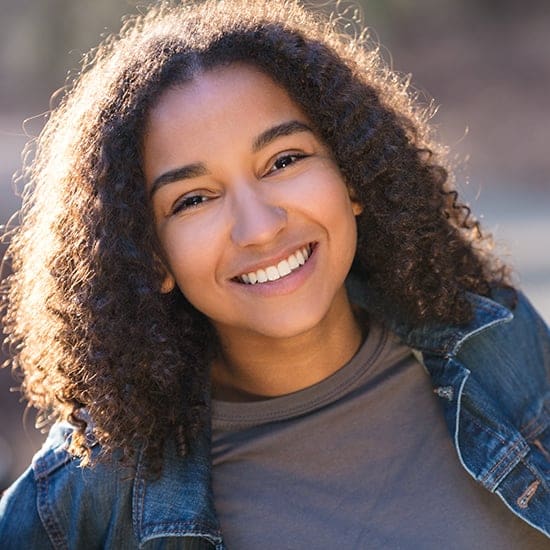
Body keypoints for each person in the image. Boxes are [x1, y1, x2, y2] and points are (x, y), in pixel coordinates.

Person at [0, 0, 549, 548]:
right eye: (193, 199)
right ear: (151, 257)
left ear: (352, 177)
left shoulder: (494, 345)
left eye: (283, 161)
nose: (259, 228)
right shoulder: (91, 493)